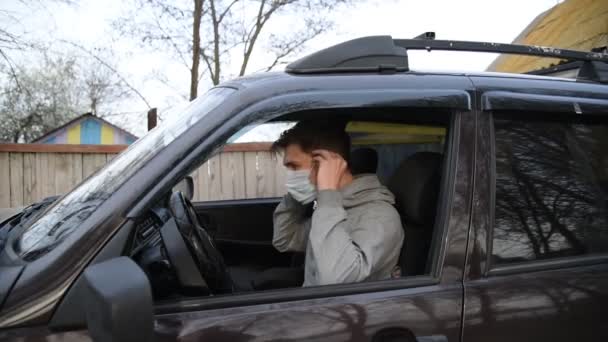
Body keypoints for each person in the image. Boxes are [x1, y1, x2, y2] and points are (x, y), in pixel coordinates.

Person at [271, 121, 404, 286]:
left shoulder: (380, 216)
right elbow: (285, 239)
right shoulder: (334, 207)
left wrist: (327, 193)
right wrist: (298, 195)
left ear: (324, 164)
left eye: (294, 167)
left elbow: (334, 281)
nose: (290, 177)